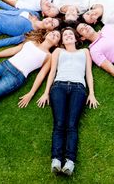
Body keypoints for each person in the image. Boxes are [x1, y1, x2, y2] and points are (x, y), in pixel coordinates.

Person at [37, 28, 99, 176]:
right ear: (62, 41)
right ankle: (56, 160)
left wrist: (92, 93)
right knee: (59, 124)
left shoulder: (85, 52)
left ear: (76, 39)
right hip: (59, 87)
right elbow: (52, 72)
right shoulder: (58, 51)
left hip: (79, 88)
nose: (68, 36)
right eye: (65, 35)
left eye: (71, 34)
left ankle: (70, 161)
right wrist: (46, 93)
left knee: (72, 125)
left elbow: (89, 73)